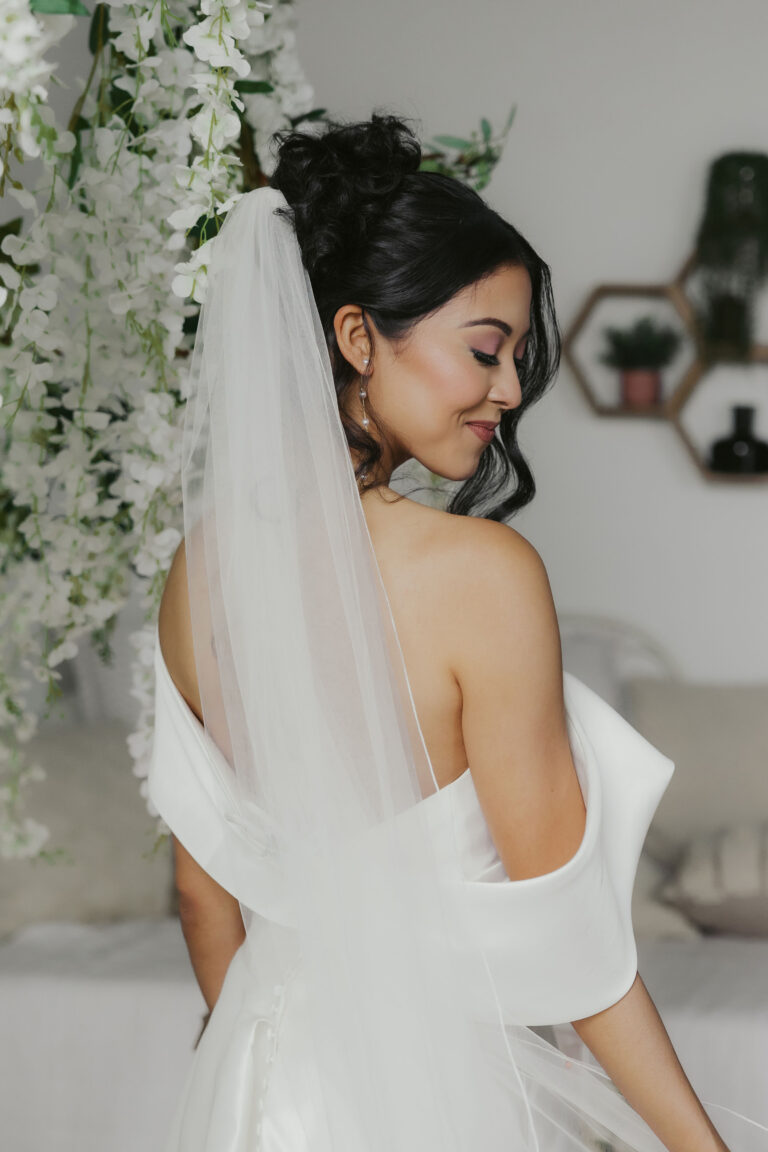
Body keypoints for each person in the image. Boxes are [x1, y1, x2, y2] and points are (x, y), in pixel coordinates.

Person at [149, 113, 766, 1152]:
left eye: (519, 357)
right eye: (486, 350)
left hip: (262, 1078)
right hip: (438, 1091)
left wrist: (249, 1070)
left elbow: (201, 896)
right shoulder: (485, 576)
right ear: (356, 338)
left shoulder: (200, 572)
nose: (513, 390)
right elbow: (573, 943)